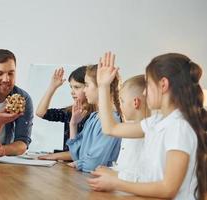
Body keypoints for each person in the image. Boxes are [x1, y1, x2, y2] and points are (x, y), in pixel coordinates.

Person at [88, 52, 207, 200]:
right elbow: (110, 128)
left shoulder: (179, 127)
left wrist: (116, 183)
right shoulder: (156, 122)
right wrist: (103, 86)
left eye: (148, 85)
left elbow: (167, 189)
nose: (144, 92)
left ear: (163, 85)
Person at [66, 64, 121, 172]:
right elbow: (77, 157)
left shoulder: (112, 120)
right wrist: (73, 125)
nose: (84, 90)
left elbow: (93, 165)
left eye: (86, 85)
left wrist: (79, 163)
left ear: (101, 86)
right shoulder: (93, 117)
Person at [95, 74, 148, 181]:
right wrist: (111, 170)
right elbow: (126, 166)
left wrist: (115, 175)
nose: (120, 106)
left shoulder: (148, 130)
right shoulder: (130, 127)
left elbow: (142, 176)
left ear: (135, 103)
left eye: (122, 101)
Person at [36, 66, 96, 161]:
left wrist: (56, 156)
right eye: (71, 87)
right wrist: (52, 87)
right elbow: (40, 112)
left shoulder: (95, 117)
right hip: (67, 166)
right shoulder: (70, 112)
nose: (72, 92)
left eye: (77, 87)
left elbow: (82, 152)